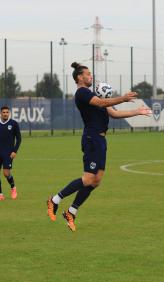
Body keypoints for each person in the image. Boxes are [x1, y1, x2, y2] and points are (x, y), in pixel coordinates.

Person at [47, 62, 152, 232]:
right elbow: (102, 104)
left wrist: (137, 112)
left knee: (96, 180)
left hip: (101, 140)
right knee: (88, 178)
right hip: (91, 138)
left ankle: (71, 212)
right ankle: (54, 200)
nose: (91, 76)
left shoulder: (93, 95)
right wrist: (123, 98)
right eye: (88, 74)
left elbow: (114, 113)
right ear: (80, 77)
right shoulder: (82, 93)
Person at [0, 106, 21, 200]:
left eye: (7, 112)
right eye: (4, 112)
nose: (5, 114)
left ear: (9, 113)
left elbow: (19, 139)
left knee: (6, 173)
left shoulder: (14, 124)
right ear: (1, 113)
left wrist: (15, 151)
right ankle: (0, 195)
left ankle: (13, 187)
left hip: (8, 152)